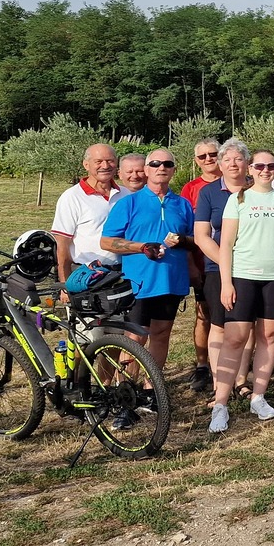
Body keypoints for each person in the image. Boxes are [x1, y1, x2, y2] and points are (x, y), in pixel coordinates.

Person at [100, 148, 194, 425]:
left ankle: (151, 392)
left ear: (174, 169)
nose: (161, 167)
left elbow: (192, 239)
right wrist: (141, 247)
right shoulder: (129, 203)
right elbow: (107, 241)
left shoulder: (182, 204)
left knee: (161, 335)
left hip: (171, 281)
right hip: (139, 282)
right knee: (135, 340)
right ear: (147, 170)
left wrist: (184, 243)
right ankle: (126, 398)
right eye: (155, 163)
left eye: (167, 163)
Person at [210, 149, 274, 432]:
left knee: (269, 336)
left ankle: (259, 397)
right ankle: (220, 404)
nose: (265, 171)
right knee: (235, 338)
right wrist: (226, 283)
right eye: (260, 166)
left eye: (271, 166)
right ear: (250, 169)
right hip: (243, 276)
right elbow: (226, 245)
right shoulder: (237, 199)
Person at [193, 139, 256, 403]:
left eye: (238, 159)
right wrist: (225, 261)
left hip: (253, 267)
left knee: (247, 326)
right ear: (220, 164)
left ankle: (241, 380)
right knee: (219, 325)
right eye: (227, 159)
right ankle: (220, 384)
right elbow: (201, 235)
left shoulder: (257, 189)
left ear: (247, 163)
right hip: (217, 268)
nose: (233, 164)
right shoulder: (208, 193)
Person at [181, 138, 222, 393]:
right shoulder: (191, 189)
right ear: (196, 161)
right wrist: (191, 266)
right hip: (202, 262)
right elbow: (186, 230)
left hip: (237, 261)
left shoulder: (235, 181)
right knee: (204, 314)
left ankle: (237, 359)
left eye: (213, 154)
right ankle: (202, 365)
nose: (208, 159)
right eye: (202, 156)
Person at [51, 143, 123, 285]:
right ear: (86, 165)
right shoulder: (72, 197)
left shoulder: (126, 194)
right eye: (98, 161)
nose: (105, 166)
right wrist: (65, 285)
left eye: (110, 161)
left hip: (122, 273)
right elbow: (62, 243)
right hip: (87, 276)